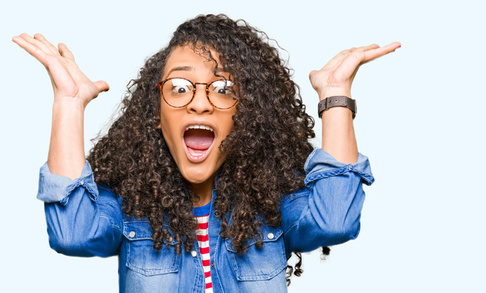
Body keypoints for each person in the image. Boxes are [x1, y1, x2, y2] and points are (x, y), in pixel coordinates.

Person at [14, 14, 399, 292]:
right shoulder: (130, 209)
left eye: (223, 89)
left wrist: (335, 97)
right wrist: (68, 103)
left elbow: (335, 220)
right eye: (180, 87)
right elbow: (72, 234)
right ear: (157, 115)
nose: (199, 104)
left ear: (245, 118)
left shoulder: (274, 209)